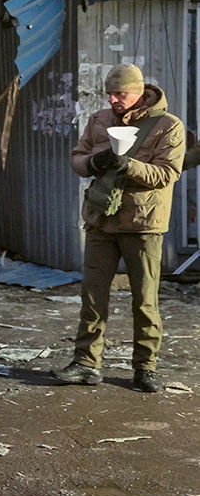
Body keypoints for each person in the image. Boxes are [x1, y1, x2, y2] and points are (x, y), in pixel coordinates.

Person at [53, 63, 184, 393]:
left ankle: (145, 367)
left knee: (144, 300)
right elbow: (77, 156)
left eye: (120, 94)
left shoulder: (168, 126)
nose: (112, 99)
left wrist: (130, 165)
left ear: (139, 92)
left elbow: (167, 174)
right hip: (101, 219)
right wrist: (93, 163)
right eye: (109, 93)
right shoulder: (99, 120)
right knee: (93, 295)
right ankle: (86, 363)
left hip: (143, 225)